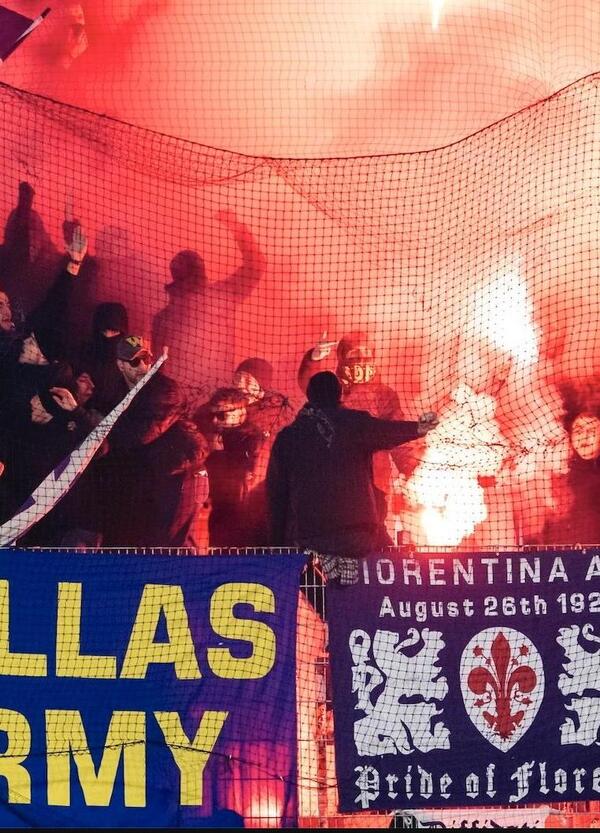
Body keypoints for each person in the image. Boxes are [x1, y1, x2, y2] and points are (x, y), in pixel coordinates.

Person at [267, 371, 438, 584]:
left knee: (321, 593)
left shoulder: (289, 437)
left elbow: (277, 494)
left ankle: (330, 606)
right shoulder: (355, 424)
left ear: (309, 396)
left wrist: (277, 545)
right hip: (356, 534)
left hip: (311, 535)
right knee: (370, 582)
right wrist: (421, 427)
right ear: (339, 394)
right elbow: (389, 431)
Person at [95, 336, 209, 548]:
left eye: (146, 358)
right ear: (120, 365)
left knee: (176, 547)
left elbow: (141, 434)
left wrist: (93, 420)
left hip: (182, 475)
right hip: (151, 480)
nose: (143, 366)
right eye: (135, 361)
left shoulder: (165, 390)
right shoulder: (116, 393)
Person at [151, 210, 265, 391]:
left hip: (178, 401)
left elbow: (158, 369)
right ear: (201, 271)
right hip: (216, 396)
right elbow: (256, 265)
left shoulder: (162, 318)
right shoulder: (221, 298)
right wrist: (236, 227)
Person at [195, 387, 263, 547]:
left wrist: (218, 454)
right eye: (213, 415)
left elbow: (243, 483)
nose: (214, 421)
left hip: (241, 520)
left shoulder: (252, 442)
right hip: (219, 515)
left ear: (240, 414)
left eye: (221, 415)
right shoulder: (217, 436)